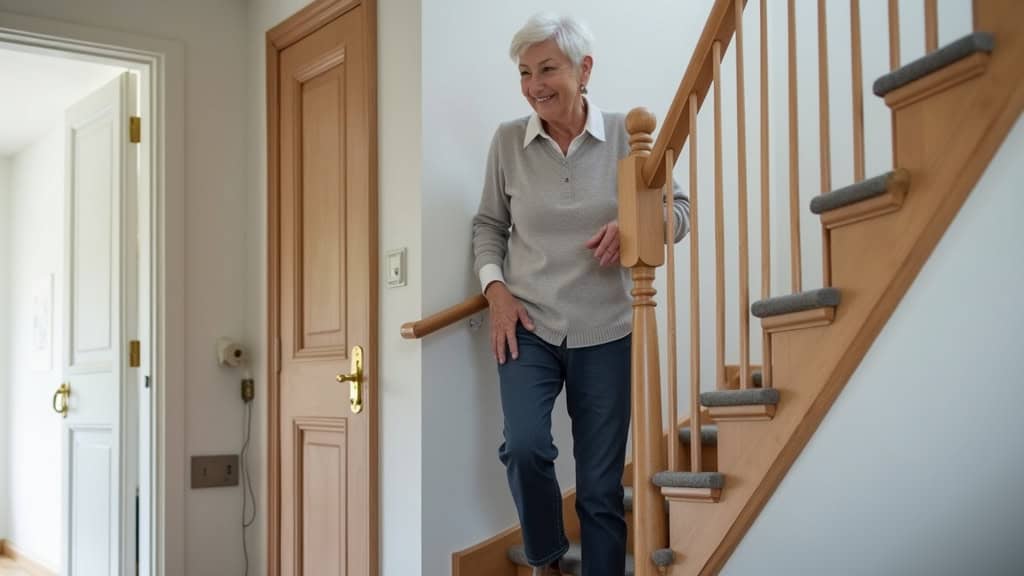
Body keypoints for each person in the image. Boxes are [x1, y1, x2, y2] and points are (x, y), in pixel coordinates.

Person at [471, 13, 689, 576]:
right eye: (524, 72)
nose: (535, 84)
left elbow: (680, 212)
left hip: (609, 328)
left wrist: (636, 225)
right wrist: (494, 289)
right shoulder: (507, 143)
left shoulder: (628, 135)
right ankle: (545, 559)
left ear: (583, 68)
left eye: (547, 68)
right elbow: (488, 227)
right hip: (528, 325)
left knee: (598, 488)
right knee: (524, 447)